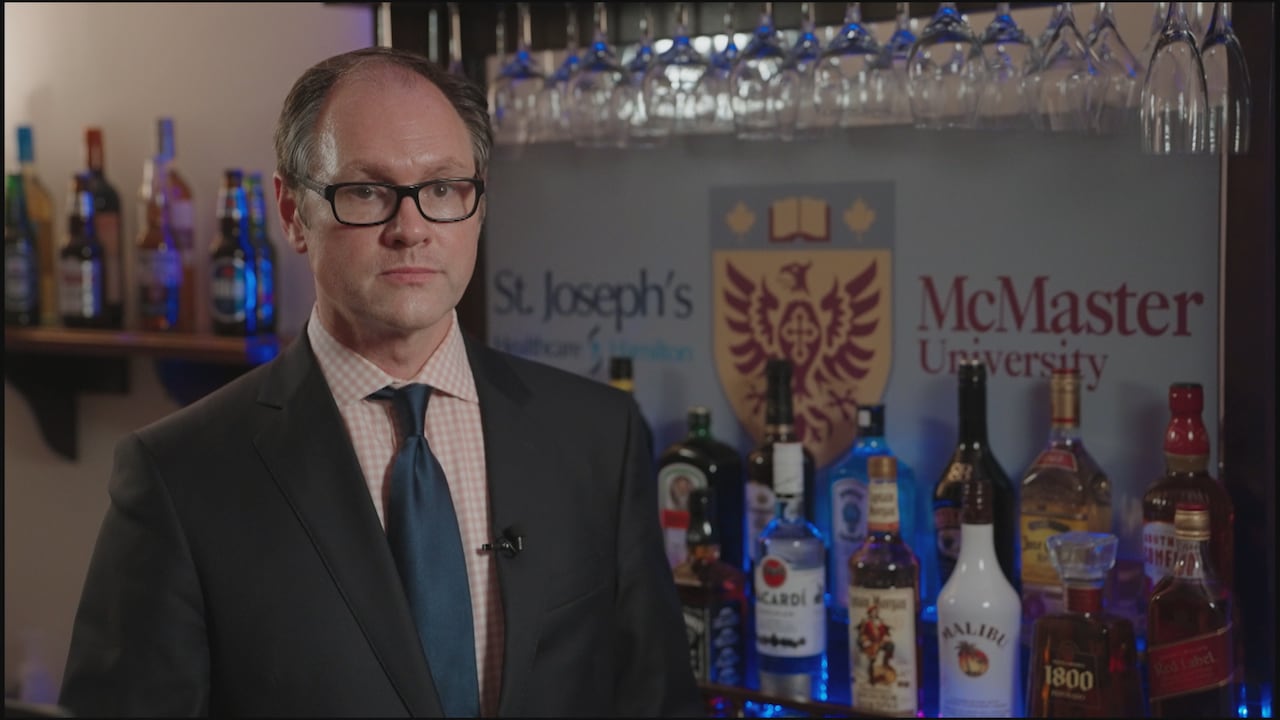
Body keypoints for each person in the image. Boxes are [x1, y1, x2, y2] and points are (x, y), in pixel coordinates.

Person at [59, 46, 702, 718]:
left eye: (445, 188)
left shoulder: (598, 439)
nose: (412, 229)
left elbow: (656, 701)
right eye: (366, 191)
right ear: (291, 211)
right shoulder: (177, 476)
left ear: (478, 205)